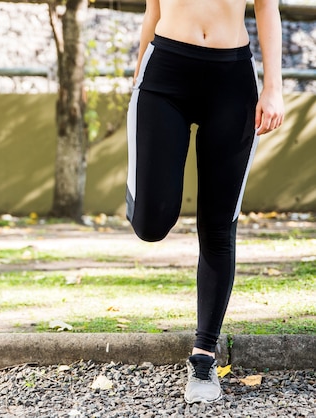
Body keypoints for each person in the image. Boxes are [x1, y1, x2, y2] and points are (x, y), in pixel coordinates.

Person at [126, 0, 284, 404]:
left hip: (231, 79)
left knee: (218, 225)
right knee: (151, 222)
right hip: (165, 72)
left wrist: (273, 88)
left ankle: (203, 355)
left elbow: (268, 8)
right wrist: (139, 66)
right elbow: (153, 8)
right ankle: (144, 203)